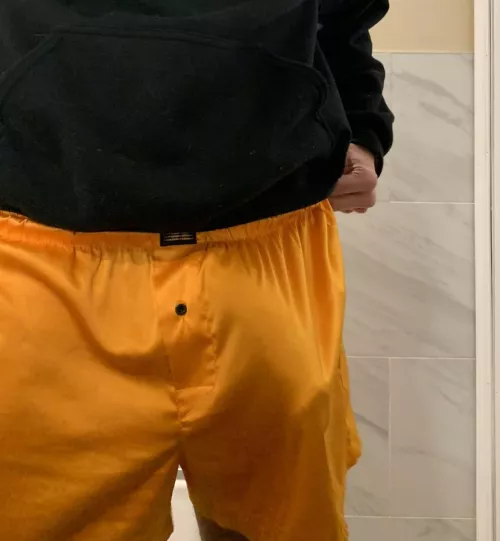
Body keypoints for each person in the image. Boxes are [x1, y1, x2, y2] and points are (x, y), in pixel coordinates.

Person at [0, 1, 393, 540]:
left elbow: (344, 15)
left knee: (280, 525)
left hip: (266, 250)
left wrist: (364, 128)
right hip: (42, 260)